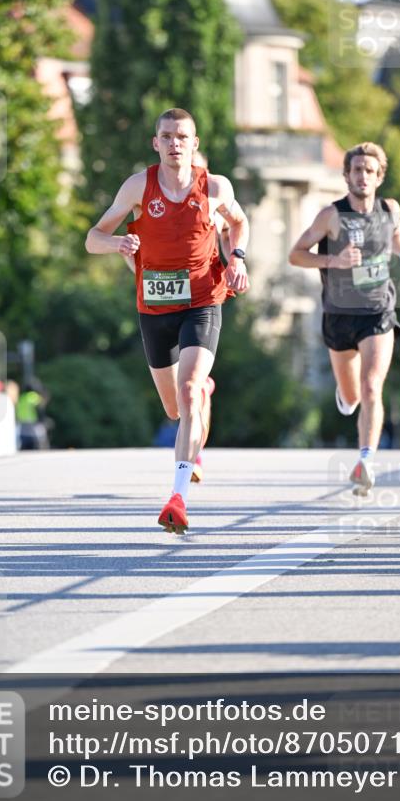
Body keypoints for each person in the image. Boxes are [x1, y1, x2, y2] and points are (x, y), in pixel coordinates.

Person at [86, 108, 250, 533]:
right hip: (154, 308)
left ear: (194, 144)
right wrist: (118, 242)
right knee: (176, 407)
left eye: (182, 136)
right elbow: (92, 239)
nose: (174, 143)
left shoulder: (214, 187)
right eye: (166, 136)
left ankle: (178, 497)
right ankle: (200, 398)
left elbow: (239, 223)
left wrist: (238, 259)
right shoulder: (139, 186)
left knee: (190, 389)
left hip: (203, 299)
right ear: (155, 143)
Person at [288, 141, 400, 494]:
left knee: (372, 385)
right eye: (357, 170)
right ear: (346, 176)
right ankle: (345, 398)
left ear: (379, 177)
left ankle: (365, 462)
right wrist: (334, 261)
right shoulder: (330, 216)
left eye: (370, 171)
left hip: (378, 312)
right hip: (339, 316)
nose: (363, 176)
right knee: (352, 396)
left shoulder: (390, 210)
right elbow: (296, 255)